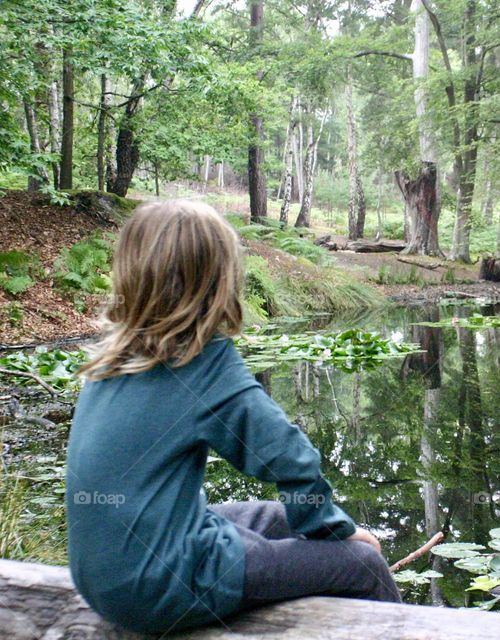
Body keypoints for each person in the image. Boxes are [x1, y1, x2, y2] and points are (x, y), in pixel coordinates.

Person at [66, 200, 399, 634]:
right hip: (161, 585)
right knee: (363, 563)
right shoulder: (203, 361)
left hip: (101, 579)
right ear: (219, 279)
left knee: (273, 519)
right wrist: (336, 531)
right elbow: (289, 457)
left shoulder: (109, 361)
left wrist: (318, 527)